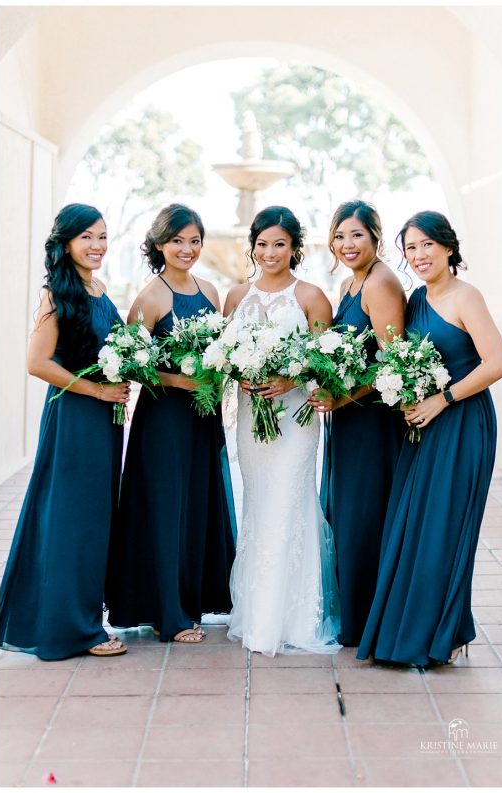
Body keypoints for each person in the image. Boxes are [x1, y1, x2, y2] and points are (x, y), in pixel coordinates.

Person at [357, 210, 502, 666]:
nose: (419, 255)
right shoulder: (415, 300)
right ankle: (420, 629)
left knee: (444, 529)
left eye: (427, 245)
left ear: (447, 247)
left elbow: (498, 362)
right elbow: (401, 358)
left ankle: (438, 634)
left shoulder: (467, 297)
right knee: (412, 527)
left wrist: (443, 398)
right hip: (421, 425)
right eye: (411, 248)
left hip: (463, 424)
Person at [0, 203, 130, 660]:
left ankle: (79, 618)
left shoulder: (98, 288)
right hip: (75, 418)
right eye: (86, 238)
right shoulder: (57, 294)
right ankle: (71, 631)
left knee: (92, 522)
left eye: (102, 236)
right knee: (74, 522)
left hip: (103, 421)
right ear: (66, 243)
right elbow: (37, 363)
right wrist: (97, 391)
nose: (96, 246)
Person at [105, 204, 236, 644]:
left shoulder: (211, 291)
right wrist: (181, 379)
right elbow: (132, 365)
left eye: (194, 241)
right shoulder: (150, 297)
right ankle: (168, 614)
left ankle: (190, 600)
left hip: (202, 417)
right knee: (165, 509)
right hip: (163, 419)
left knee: (196, 507)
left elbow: (220, 353)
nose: (187, 249)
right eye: (178, 241)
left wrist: (217, 380)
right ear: (160, 243)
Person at [224, 205, 341, 656]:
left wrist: (292, 379)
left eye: (280, 244)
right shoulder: (236, 296)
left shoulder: (311, 296)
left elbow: (324, 362)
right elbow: (226, 358)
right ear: (252, 246)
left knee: (289, 503)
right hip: (255, 421)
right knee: (258, 504)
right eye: (262, 243)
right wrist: (242, 376)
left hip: (295, 420)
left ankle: (292, 619)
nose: (270, 252)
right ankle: (256, 613)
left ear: (295, 248)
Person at [309, 200, 406, 646]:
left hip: (372, 423)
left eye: (357, 235)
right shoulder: (352, 282)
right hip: (348, 418)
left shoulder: (381, 283)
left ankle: (369, 620)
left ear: (375, 237)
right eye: (340, 236)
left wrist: (343, 394)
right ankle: (357, 613)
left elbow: (394, 364)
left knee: (365, 515)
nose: (347, 244)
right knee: (347, 513)